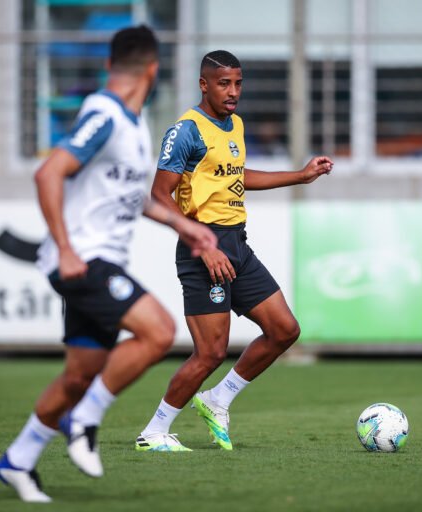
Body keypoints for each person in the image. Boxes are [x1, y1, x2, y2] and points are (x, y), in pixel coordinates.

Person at [0, 26, 217, 503]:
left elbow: (136, 199)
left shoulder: (136, 126)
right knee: (158, 331)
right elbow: (49, 172)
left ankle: (19, 460)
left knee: (79, 375)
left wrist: (185, 226)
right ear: (152, 70)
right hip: (82, 261)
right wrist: (67, 249)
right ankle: (85, 419)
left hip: (98, 261)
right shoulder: (104, 113)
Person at [135, 50, 333, 452]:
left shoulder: (234, 124)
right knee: (210, 353)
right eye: (224, 83)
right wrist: (200, 243)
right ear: (204, 84)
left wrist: (301, 175)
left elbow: (237, 176)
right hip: (202, 247)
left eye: (238, 83)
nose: (233, 92)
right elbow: (157, 195)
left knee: (284, 330)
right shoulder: (186, 130)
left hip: (236, 245)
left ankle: (218, 399)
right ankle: (153, 432)